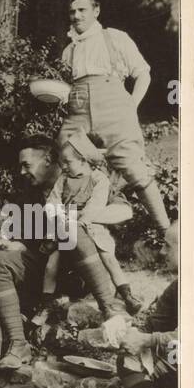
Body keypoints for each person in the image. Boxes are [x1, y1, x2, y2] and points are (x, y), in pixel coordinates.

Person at [0, 136, 121, 371]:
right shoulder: (29, 193)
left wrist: (77, 218)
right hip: (46, 266)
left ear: (48, 159)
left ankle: (109, 307)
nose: (22, 171)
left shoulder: (86, 178)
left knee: (71, 230)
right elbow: (25, 240)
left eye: (26, 164)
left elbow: (123, 211)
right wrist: (14, 244)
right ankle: (19, 345)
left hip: (79, 269)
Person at [58, 0, 176, 243]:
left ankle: (166, 233)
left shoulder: (114, 38)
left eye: (82, 10)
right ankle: (70, 231)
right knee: (65, 160)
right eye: (72, 11)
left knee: (134, 169)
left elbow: (143, 72)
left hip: (114, 108)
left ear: (96, 11)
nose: (76, 16)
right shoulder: (69, 51)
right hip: (77, 111)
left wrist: (130, 106)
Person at [40, 132, 143, 315]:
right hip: (65, 227)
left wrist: (82, 219)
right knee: (51, 264)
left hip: (91, 227)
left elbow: (96, 204)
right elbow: (53, 202)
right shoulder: (63, 180)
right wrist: (58, 215)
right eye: (62, 162)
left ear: (83, 160)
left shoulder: (98, 179)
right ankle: (46, 303)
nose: (63, 166)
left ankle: (126, 295)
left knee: (108, 259)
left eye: (68, 162)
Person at [117, 228, 178, 388]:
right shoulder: (177, 287)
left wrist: (148, 340)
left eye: (168, 246)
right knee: (129, 359)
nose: (162, 251)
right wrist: (130, 334)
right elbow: (154, 326)